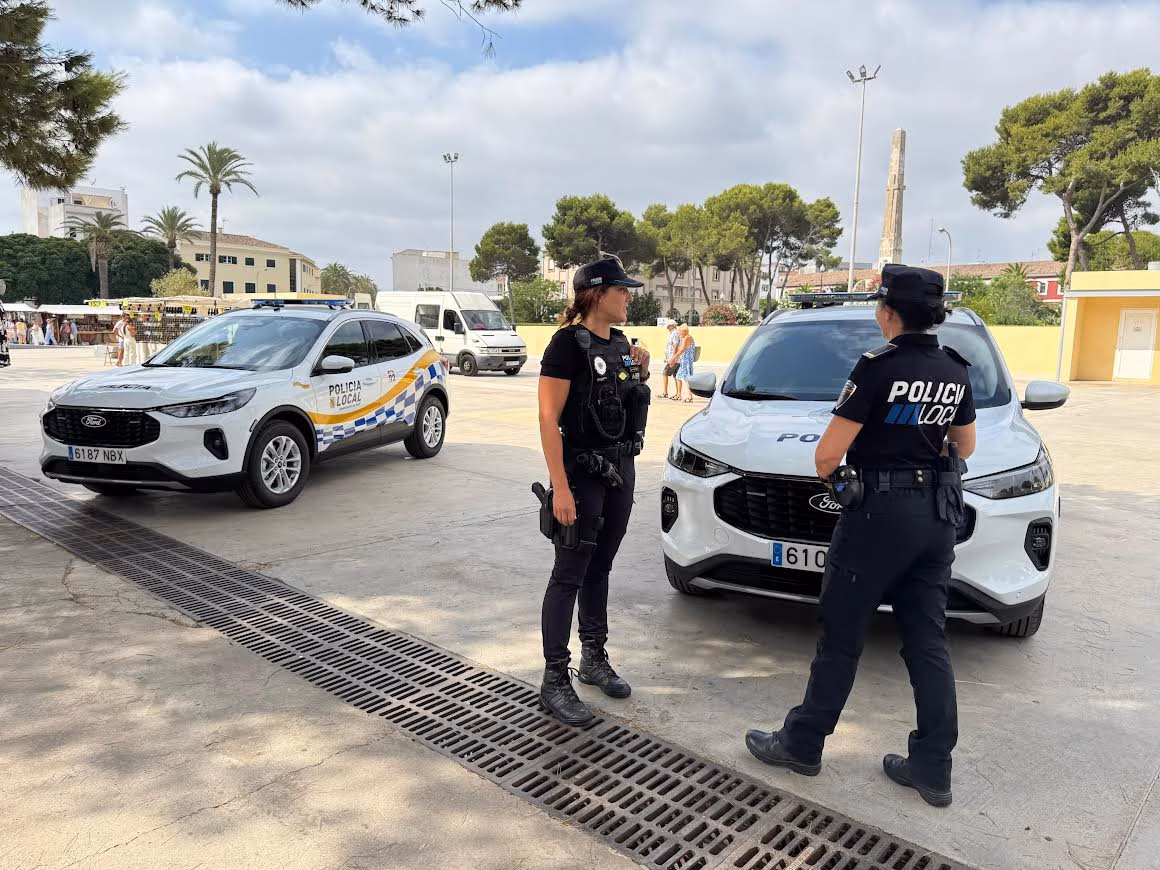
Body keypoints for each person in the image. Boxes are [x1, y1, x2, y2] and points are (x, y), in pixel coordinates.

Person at [745, 264, 976, 809]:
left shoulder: (877, 368)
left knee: (842, 637)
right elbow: (964, 446)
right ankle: (933, 767)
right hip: (936, 516)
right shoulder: (954, 368)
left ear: (888, 312)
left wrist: (849, 484)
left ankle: (802, 744)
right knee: (927, 642)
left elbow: (828, 455)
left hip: (877, 517)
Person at [536, 256, 652, 726]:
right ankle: (554, 679)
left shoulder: (621, 343)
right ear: (596, 294)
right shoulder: (566, 344)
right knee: (569, 573)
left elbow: (620, 402)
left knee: (599, 567)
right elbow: (548, 418)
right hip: (581, 473)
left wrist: (641, 367)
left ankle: (593, 657)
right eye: (622, 290)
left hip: (620, 469)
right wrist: (560, 487)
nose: (628, 297)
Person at [669, 324, 695, 402]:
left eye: (680, 332)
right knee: (678, 377)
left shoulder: (687, 337)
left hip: (686, 362)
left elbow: (682, 350)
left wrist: (672, 358)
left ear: (683, 332)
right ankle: (679, 395)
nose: (679, 334)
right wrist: (675, 359)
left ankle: (690, 397)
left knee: (687, 379)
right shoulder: (685, 337)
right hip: (684, 361)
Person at [660, 319, 679, 398]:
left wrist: (673, 358)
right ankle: (678, 394)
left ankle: (665, 393)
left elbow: (676, 346)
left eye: (668, 326)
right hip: (673, 358)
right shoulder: (673, 333)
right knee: (676, 376)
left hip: (673, 358)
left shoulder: (674, 334)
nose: (667, 327)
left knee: (665, 373)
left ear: (672, 326)